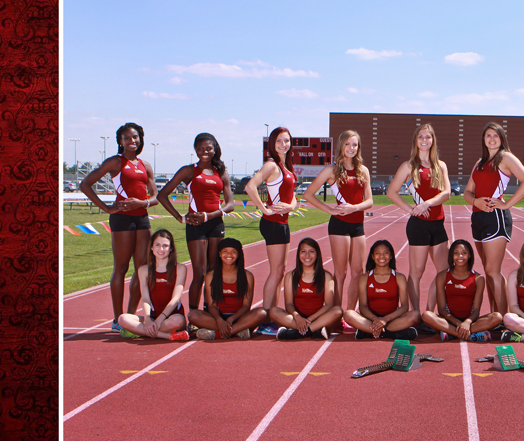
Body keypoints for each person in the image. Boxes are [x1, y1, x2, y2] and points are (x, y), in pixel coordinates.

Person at [79, 122, 157, 332]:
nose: (132, 141)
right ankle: (116, 318)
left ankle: (129, 316)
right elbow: (85, 184)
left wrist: (143, 203)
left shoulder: (145, 165)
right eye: (127, 138)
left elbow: (156, 196)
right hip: (122, 219)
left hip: (142, 219)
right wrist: (106, 208)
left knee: (142, 270)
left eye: (135, 137)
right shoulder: (115, 162)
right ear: (120, 141)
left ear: (140, 139)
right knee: (121, 269)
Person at [157, 133, 234, 317]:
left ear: (214, 148)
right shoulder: (188, 170)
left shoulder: (221, 172)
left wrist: (209, 216)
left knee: (213, 271)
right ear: (195, 151)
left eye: (208, 148)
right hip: (195, 226)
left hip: (215, 223)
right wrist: (180, 217)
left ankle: (210, 310)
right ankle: (193, 314)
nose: (204, 152)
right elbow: (162, 195)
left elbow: (230, 204)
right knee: (199, 272)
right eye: (200, 149)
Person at [463, 122, 524, 314]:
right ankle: (495, 314)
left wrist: (507, 204)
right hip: (478, 218)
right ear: (483, 139)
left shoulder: (506, 158)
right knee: (487, 271)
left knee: (493, 271)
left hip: (495, 218)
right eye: (488, 135)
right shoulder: (479, 163)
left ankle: (504, 319)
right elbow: (467, 192)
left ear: (502, 139)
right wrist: (475, 201)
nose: (492, 139)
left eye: (496, 135)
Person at [304, 130, 373, 316]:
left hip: (358, 225)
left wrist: (354, 207)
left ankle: (350, 313)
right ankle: (336, 314)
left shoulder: (363, 170)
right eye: (348, 144)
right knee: (340, 273)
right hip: (339, 225)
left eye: (355, 145)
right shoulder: (331, 170)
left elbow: (369, 201)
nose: (351, 148)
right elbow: (308, 194)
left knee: (358, 272)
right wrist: (330, 210)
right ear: (341, 146)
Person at [386, 124, 451, 314]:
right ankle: (415, 313)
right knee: (416, 273)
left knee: (444, 273)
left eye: (428, 137)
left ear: (433, 140)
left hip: (438, 224)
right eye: (421, 137)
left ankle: (431, 311)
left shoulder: (441, 165)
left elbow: (446, 193)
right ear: (416, 140)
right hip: (419, 226)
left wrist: (426, 204)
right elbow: (392, 192)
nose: (424, 140)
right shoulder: (408, 166)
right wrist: (411, 209)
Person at [245, 126, 298, 312]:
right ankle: (266, 315)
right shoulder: (272, 165)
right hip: (273, 223)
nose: (284, 145)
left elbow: (293, 196)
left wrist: (291, 206)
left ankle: (273, 314)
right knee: (275, 272)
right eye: (279, 141)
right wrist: (264, 210)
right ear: (272, 144)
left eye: (286, 141)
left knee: (280, 272)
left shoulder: (287, 167)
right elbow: (250, 187)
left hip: (283, 223)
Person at [420, 239, 502, 341]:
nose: (460, 256)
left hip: (471, 322)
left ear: (469, 255)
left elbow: (476, 310)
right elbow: (441, 309)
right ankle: (470, 335)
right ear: (451, 255)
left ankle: (451, 333)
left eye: (464, 253)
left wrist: (467, 322)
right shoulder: (442, 276)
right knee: (427, 316)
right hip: (449, 321)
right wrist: (458, 323)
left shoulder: (478, 278)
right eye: (456, 253)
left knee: (497, 317)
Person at [187, 237, 267, 340]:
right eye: (225, 251)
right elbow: (212, 305)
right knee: (193, 315)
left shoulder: (247, 276)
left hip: (239, 318)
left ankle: (217, 334)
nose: (229, 255)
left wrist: (232, 319)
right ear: (219, 253)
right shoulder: (211, 276)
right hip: (217, 319)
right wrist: (219, 320)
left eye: (233, 252)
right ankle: (238, 331)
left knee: (261, 313)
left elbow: (246, 306)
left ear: (238, 255)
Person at [117, 229, 189, 340]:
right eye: (157, 245)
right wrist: (148, 319)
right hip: (152, 317)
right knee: (122, 319)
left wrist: (160, 319)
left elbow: (176, 298)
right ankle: (167, 336)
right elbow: (145, 298)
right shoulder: (143, 270)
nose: (161, 249)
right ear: (151, 247)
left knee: (177, 321)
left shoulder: (180, 268)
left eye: (165, 246)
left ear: (171, 249)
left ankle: (140, 331)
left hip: (171, 317)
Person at [342, 240, 420, 340]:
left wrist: (385, 320)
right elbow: (362, 307)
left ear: (391, 256)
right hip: (371, 319)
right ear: (373, 256)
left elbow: (404, 307)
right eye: (377, 253)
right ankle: (390, 333)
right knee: (348, 314)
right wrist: (376, 320)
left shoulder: (399, 277)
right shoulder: (364, 278)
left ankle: (369, 332)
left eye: (385, 253)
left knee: (415, 315)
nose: (381, 256)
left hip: (392, 319)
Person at [270, 238, 343, 340]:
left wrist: (309, 319)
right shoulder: (290, 276)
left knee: (338, 311)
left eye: (311, 251)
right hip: (297, 319)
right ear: (298, 255)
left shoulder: (326, 276)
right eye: (303, 251)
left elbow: (329, 304)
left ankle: (297, 333)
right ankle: (315, 330)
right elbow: (289, 304)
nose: (307, 255)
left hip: (318, 318)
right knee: (273, 311)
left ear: (317, 255)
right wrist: (298, 317)